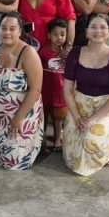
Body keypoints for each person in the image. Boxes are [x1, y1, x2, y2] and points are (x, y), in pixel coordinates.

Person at [62, 15, 109, 176]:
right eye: (93, 27)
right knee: (74, 152)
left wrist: (92, 120)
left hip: (106, 109)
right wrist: (77, 117)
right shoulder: (75, 53)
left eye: (102, 27)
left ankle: (107, 148)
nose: (98, 31)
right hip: (80, 105)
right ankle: (105, 145)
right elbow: (67, 89)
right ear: (86, 31)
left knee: (89, 141)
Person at [0, 13, 45, 169]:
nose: (7, 32)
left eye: (12, 29)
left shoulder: (28, 53)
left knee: (13, 163)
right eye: (3, 28)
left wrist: (18, 118)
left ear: (20, 31)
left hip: (23, 113)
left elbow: (35, 90)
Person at [37, 18, 69, 149]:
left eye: (62, 34)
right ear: (49, 36)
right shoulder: (43, 52)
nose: (59, 38)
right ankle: (41, 141)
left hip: (60, 93)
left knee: (58, 118)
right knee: (42, 117)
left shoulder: (67, 54)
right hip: (45, 92)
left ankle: (57, 141)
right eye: (55, 34)